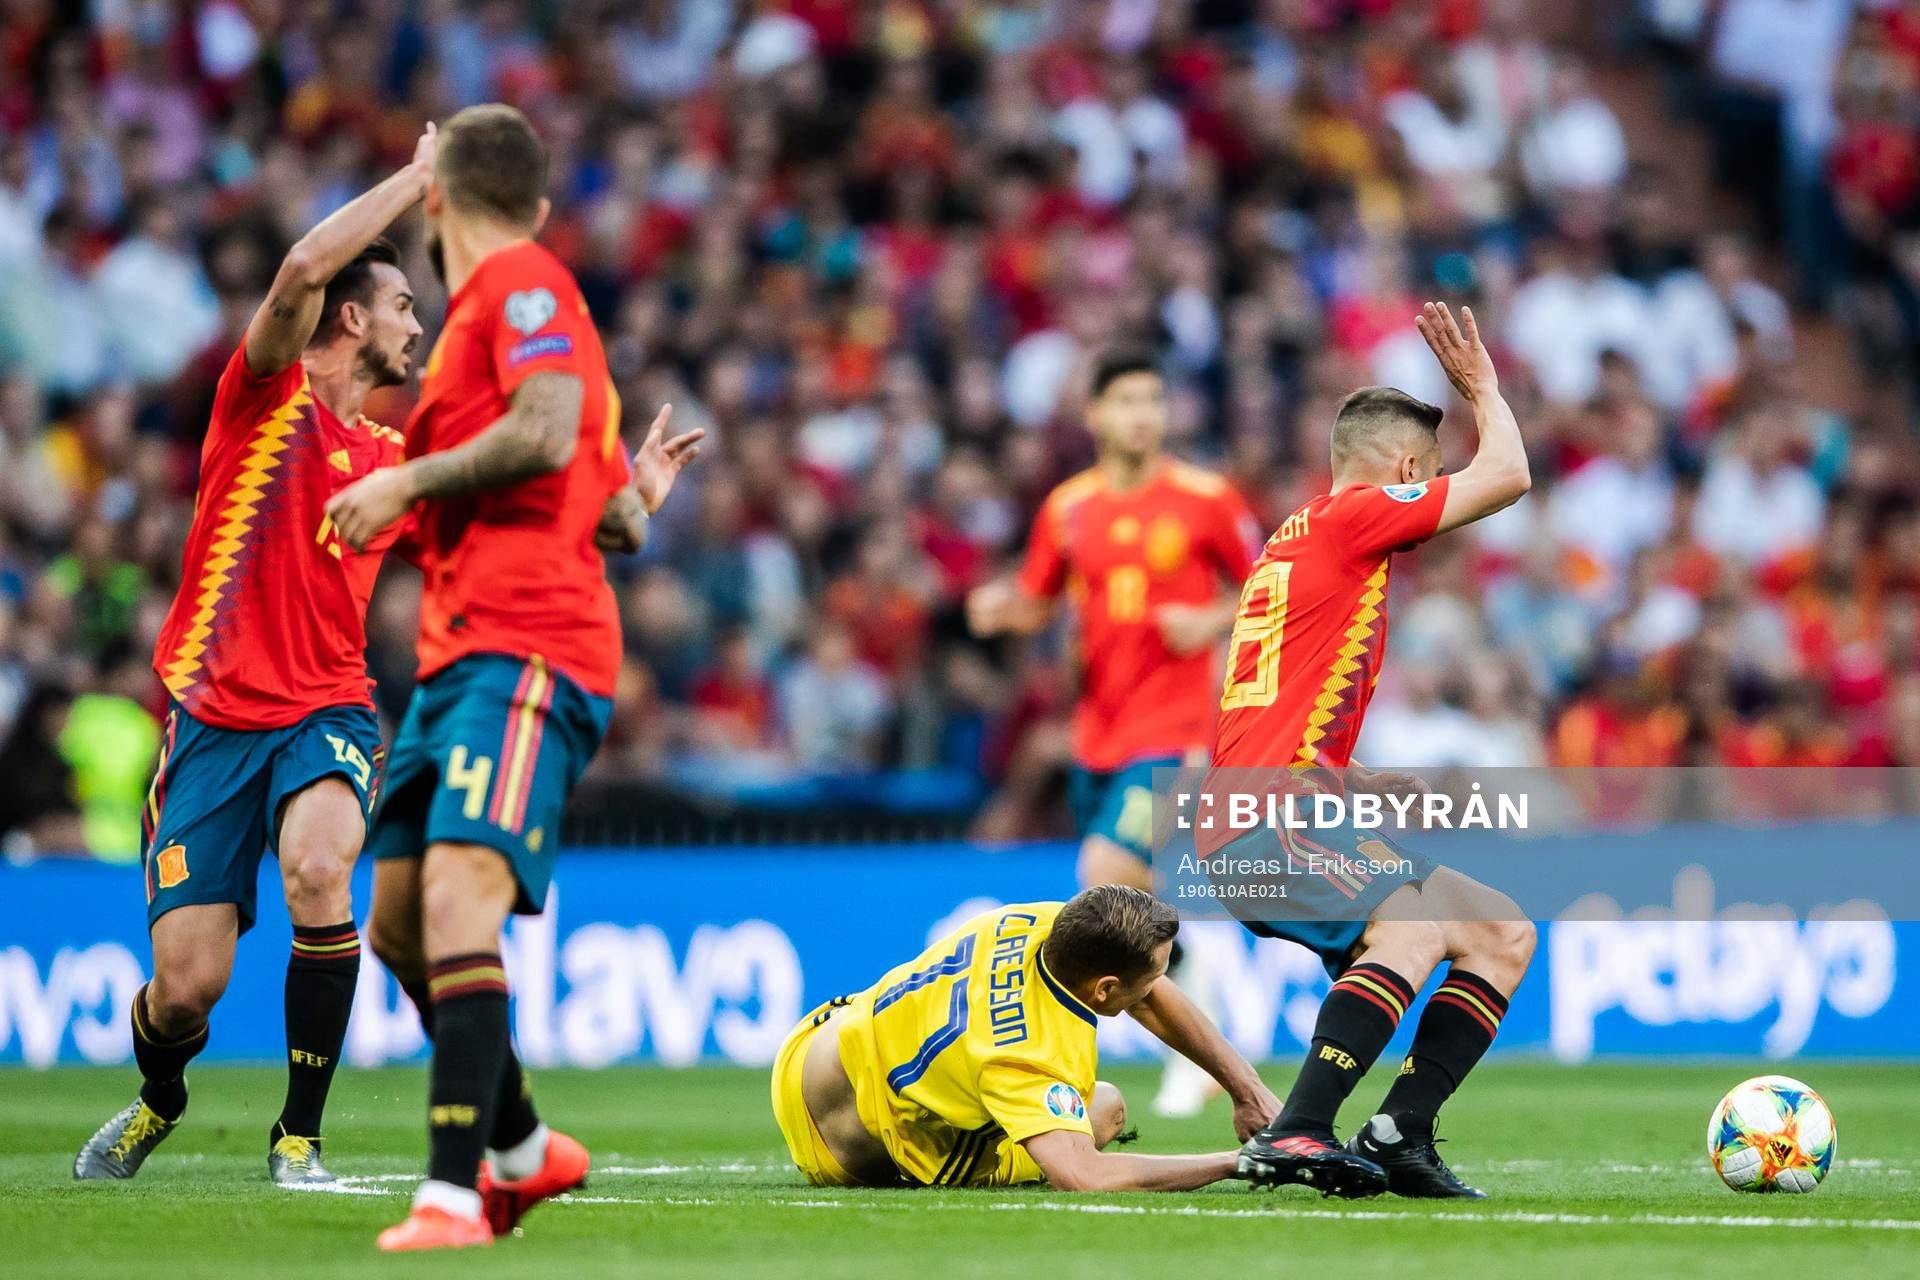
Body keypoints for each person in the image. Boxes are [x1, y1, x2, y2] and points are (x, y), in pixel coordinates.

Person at [322, 103, 702, 1252]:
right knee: (392, 923)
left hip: (531, 651)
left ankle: (454, 1197)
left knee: (456, 901)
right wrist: (629, 485)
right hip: (455, 659)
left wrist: (404, 483)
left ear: (436, 199)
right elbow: (613, 518)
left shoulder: (526, 286)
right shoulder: (485, 331)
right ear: (534, 200)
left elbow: (540, 434)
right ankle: (530, 1147)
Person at [72, 127, 435, 1185]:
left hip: (325, 710)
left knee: (322, 869)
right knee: (185, 989)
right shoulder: (259, 396)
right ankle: (159, 1096)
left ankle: (298, 1135)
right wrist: (414, 184)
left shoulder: (390, 461)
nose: (418, 326)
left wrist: (620, 500)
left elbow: (500, 516)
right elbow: (300, 271)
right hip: (211, 723)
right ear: (355, 317)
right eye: (405, 305)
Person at [1213, 303, 1537, 1198]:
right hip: (1268, 818)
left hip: (1275, 803)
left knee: (1499, 931)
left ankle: (1401, 1131)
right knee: (1414, 922)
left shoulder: (1296, 540)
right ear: (1403, 473)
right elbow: (1508, 474)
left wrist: (1353, 779)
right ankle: (1301, 1132)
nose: (1431, 498)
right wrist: (1482, 389)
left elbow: (1264, 708)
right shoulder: (1357, 518)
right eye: (1427, 478)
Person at [966, 351, 1258, 1117]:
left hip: (1179, 729)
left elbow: (1271, 581)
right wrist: (1000, 608)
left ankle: (1198, 1046)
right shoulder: (1067, 507)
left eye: (1154, 400)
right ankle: (1204, 1006)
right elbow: (1038, 598)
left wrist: (1211, 617)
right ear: (1093, 414)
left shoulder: (1205, 497)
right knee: (1141, 897)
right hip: (1096, 733)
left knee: (1108, 869)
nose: (1142, 416)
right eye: (1126, 401)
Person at [770, 884, 1280, 1192]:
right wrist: (1241, 1162)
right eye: (1151, 978)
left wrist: (1249, 1093)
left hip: (811, 1049)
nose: (1156, 991)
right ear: (1104, 990)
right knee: (1104, 1108)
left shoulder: (1037, 922)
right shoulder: (1025, 1056)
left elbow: (1147, 994)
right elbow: (1084, 1177)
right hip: (842, 1154)